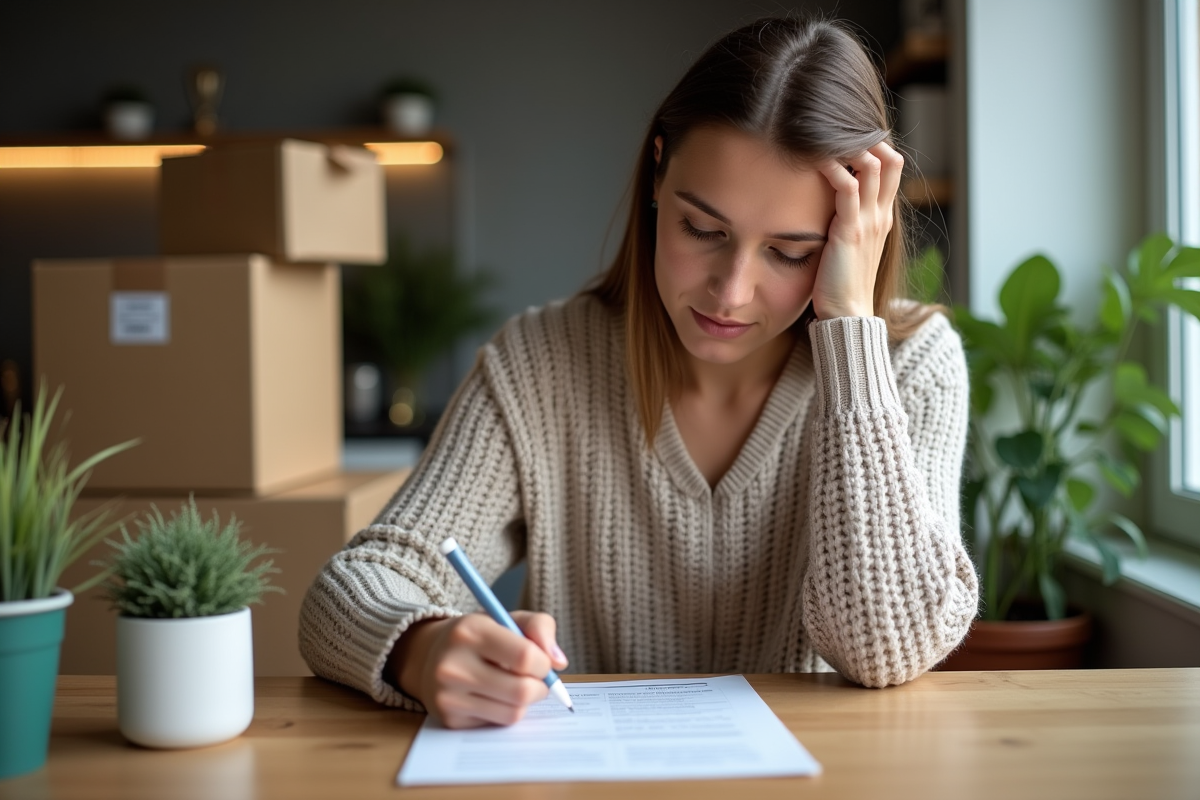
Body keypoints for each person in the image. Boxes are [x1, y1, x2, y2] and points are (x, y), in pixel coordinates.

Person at [299, 15, 978, 730]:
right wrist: (423, 647)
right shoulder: (541, 363)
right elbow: (347, 592)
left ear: (855, 237)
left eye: (790, 252)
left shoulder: (910, 365)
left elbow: (886, 649)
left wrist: (847, 324)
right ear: (659, 174)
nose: (731, 290)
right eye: (703, 230)